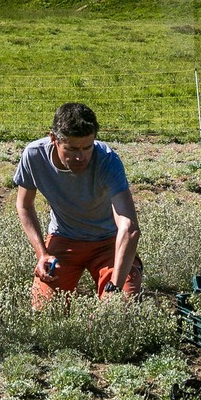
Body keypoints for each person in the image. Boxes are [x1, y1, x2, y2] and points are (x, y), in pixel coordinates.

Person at [15, 102, 141, 308]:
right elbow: (24, 205)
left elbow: (129, 229)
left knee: (121, 308)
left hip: (108, 241)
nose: (80, 157)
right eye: (72, 149)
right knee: (45, 310)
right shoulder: (34, 155)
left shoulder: (107, 160)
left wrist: (115, 288)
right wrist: (42, 254)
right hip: (64, 238)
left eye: (87, 147)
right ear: (53, 139)